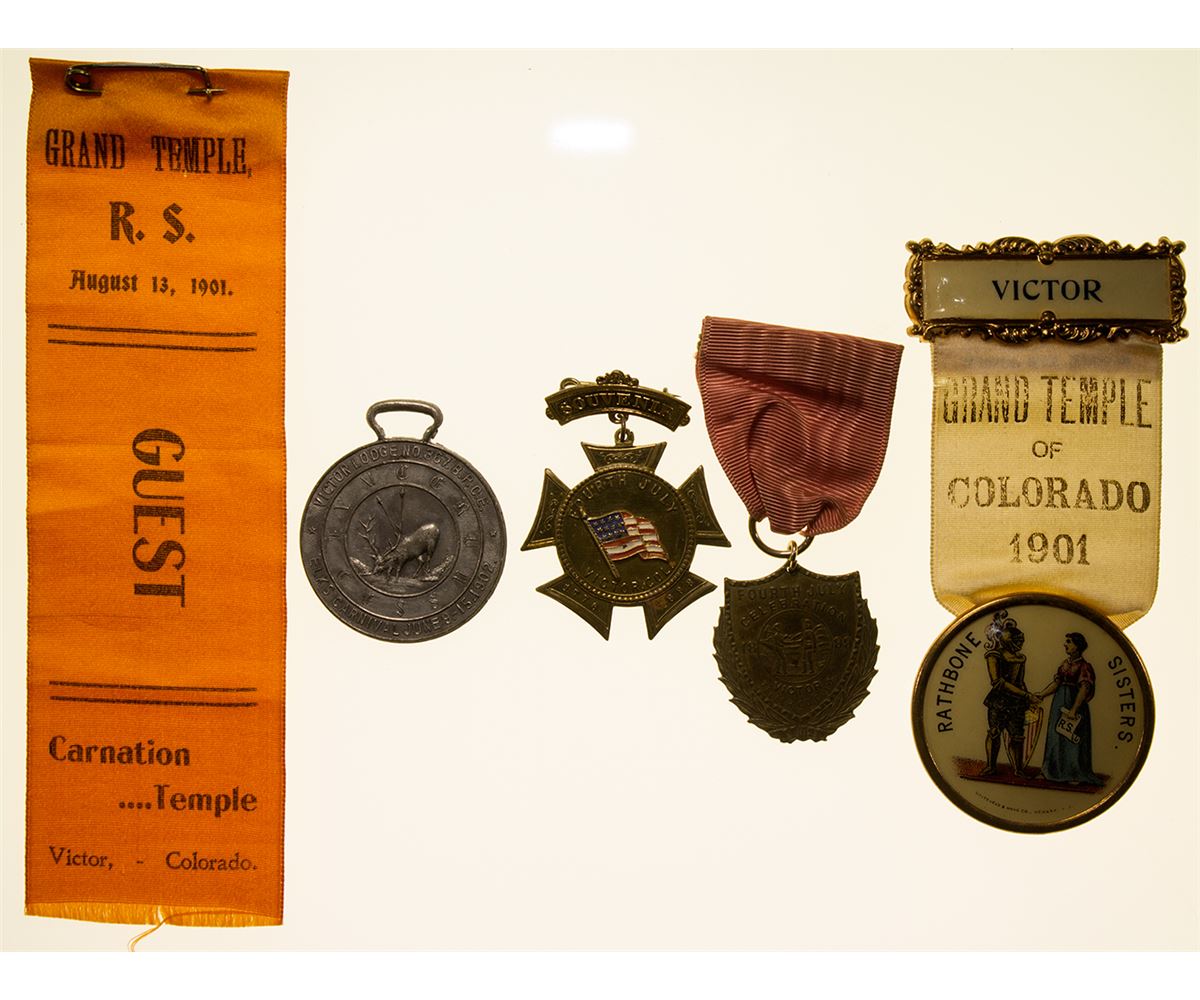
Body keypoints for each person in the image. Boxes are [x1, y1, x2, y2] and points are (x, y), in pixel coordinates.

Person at [1035, 632, 1101, 785]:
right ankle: (1051, 770)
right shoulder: (1064, 664)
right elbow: (1057, 683)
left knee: (1072, 738)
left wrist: (1074, 709)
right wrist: (1042, 694)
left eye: (1069, 642)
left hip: (1075, 703)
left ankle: (1074, 773)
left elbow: (1084, 688)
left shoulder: (1084, 666)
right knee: (1055, 736)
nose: (1065, 644)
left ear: (1077, 646)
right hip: (1059, 703)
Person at [981, 610, 1039, 777]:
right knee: (994, 733)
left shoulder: (1020, 658)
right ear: (1008, 640)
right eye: (1017, 641)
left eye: (1021, 641)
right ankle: (990, 766)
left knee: (1017, 736)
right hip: (999, 700)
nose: (1020, 644)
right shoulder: (994, 656)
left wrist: (1027, 698)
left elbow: (1020, 681)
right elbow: (998, 682)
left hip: (1017, 702)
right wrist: (1026, 695)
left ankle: (1018, 769)